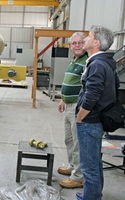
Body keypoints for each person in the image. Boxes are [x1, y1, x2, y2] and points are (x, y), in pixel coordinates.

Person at [75, 25, 116, 200]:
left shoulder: (97, 64)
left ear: (96, 42)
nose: (85, 40)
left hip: (89, 122)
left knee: (88, 166)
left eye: (88, 37)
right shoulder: (103, 62)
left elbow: (92, 95)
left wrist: (79, 117)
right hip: (96, 121)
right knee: (95, 162)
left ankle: (90, 198)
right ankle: (92, 194)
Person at [57, 32, 88, 189]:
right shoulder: (74, 60)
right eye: (74, 43)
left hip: (77, 106)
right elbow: (70, 81)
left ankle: (78, 177)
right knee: (69, 140)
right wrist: (63, 98)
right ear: (70, 46)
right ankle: (73, 167)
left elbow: (89, 88)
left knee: (77, 143)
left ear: (86, 43)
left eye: (80, 42)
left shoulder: (87, 61)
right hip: (68, 106)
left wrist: (81, 109)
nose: (77, 45)